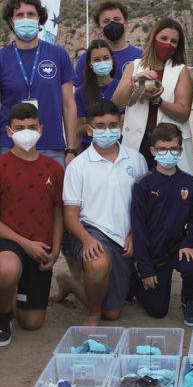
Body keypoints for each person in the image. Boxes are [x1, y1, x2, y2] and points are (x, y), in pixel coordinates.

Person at [0, 103, 65, 345]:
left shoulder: (54, 168)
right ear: (9, 131)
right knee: (7, 269)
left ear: (41, 129)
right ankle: (3, 315)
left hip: (41, 247)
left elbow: (59, 213)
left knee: (32, 323)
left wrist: (54, 251)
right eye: (20, 127)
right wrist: (24, 243)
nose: (26, 132)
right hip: (10, 242)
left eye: (32, 127)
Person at [61, 100, 147, 324]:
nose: (107, 131)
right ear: (89, 130)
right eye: (100, 126)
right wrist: (86, 240)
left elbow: (143, 206)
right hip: (93, 231)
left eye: (112, 125)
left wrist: (134, 235)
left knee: (113, 314)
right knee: (97, 264)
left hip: (125, 237)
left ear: (121, 125)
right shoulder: (77, 166)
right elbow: (70, 215)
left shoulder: (137, 160)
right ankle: (93, 314)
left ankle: (71, 283)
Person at [0, 0, 77, 165]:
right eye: (19, 15)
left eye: (31, 14)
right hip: (10, 147)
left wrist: (71, 149)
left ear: (39, 19)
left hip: (52, 147)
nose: (25, 19)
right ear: (11, 21)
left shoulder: (58, 54)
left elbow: (69, 104)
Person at [129, 123, 193, 325]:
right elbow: (139, 228)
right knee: (157, 310)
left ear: (180, 151)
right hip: (154, 252)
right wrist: (145, 268)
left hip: (179, 247)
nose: (168, 153)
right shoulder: (143, 184)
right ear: (153, 151)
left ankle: (189, 301)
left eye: (173, 149)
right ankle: (134, 281)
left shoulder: (188, 182)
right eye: (162, 149)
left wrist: (189, 242)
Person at [115, 18, 193, 173]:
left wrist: (157, 100)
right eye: (164, 39)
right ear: (153, 38)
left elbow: (183, 112)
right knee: (136, 187)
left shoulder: (180, 70)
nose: (168, 45)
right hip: (137, 142)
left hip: (169, 143)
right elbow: (118, 101)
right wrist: (132, 82)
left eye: (174, 41)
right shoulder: (135, 66)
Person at [74, 0, 143, 85]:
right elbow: (78, 93)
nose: (112, 24)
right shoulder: (86, 59)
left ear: (125, 23)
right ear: (100, 28)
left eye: (117, 19)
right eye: (106, 21)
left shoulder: (140, 57)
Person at [75, 40, 120, 151]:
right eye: (97, 60)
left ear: (112, 60)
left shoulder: (121, 88)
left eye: (105, 58)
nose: (102, 62)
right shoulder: (81, 93)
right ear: (90, 64)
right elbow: (79, 127)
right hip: (90, 149)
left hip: (120, 148)